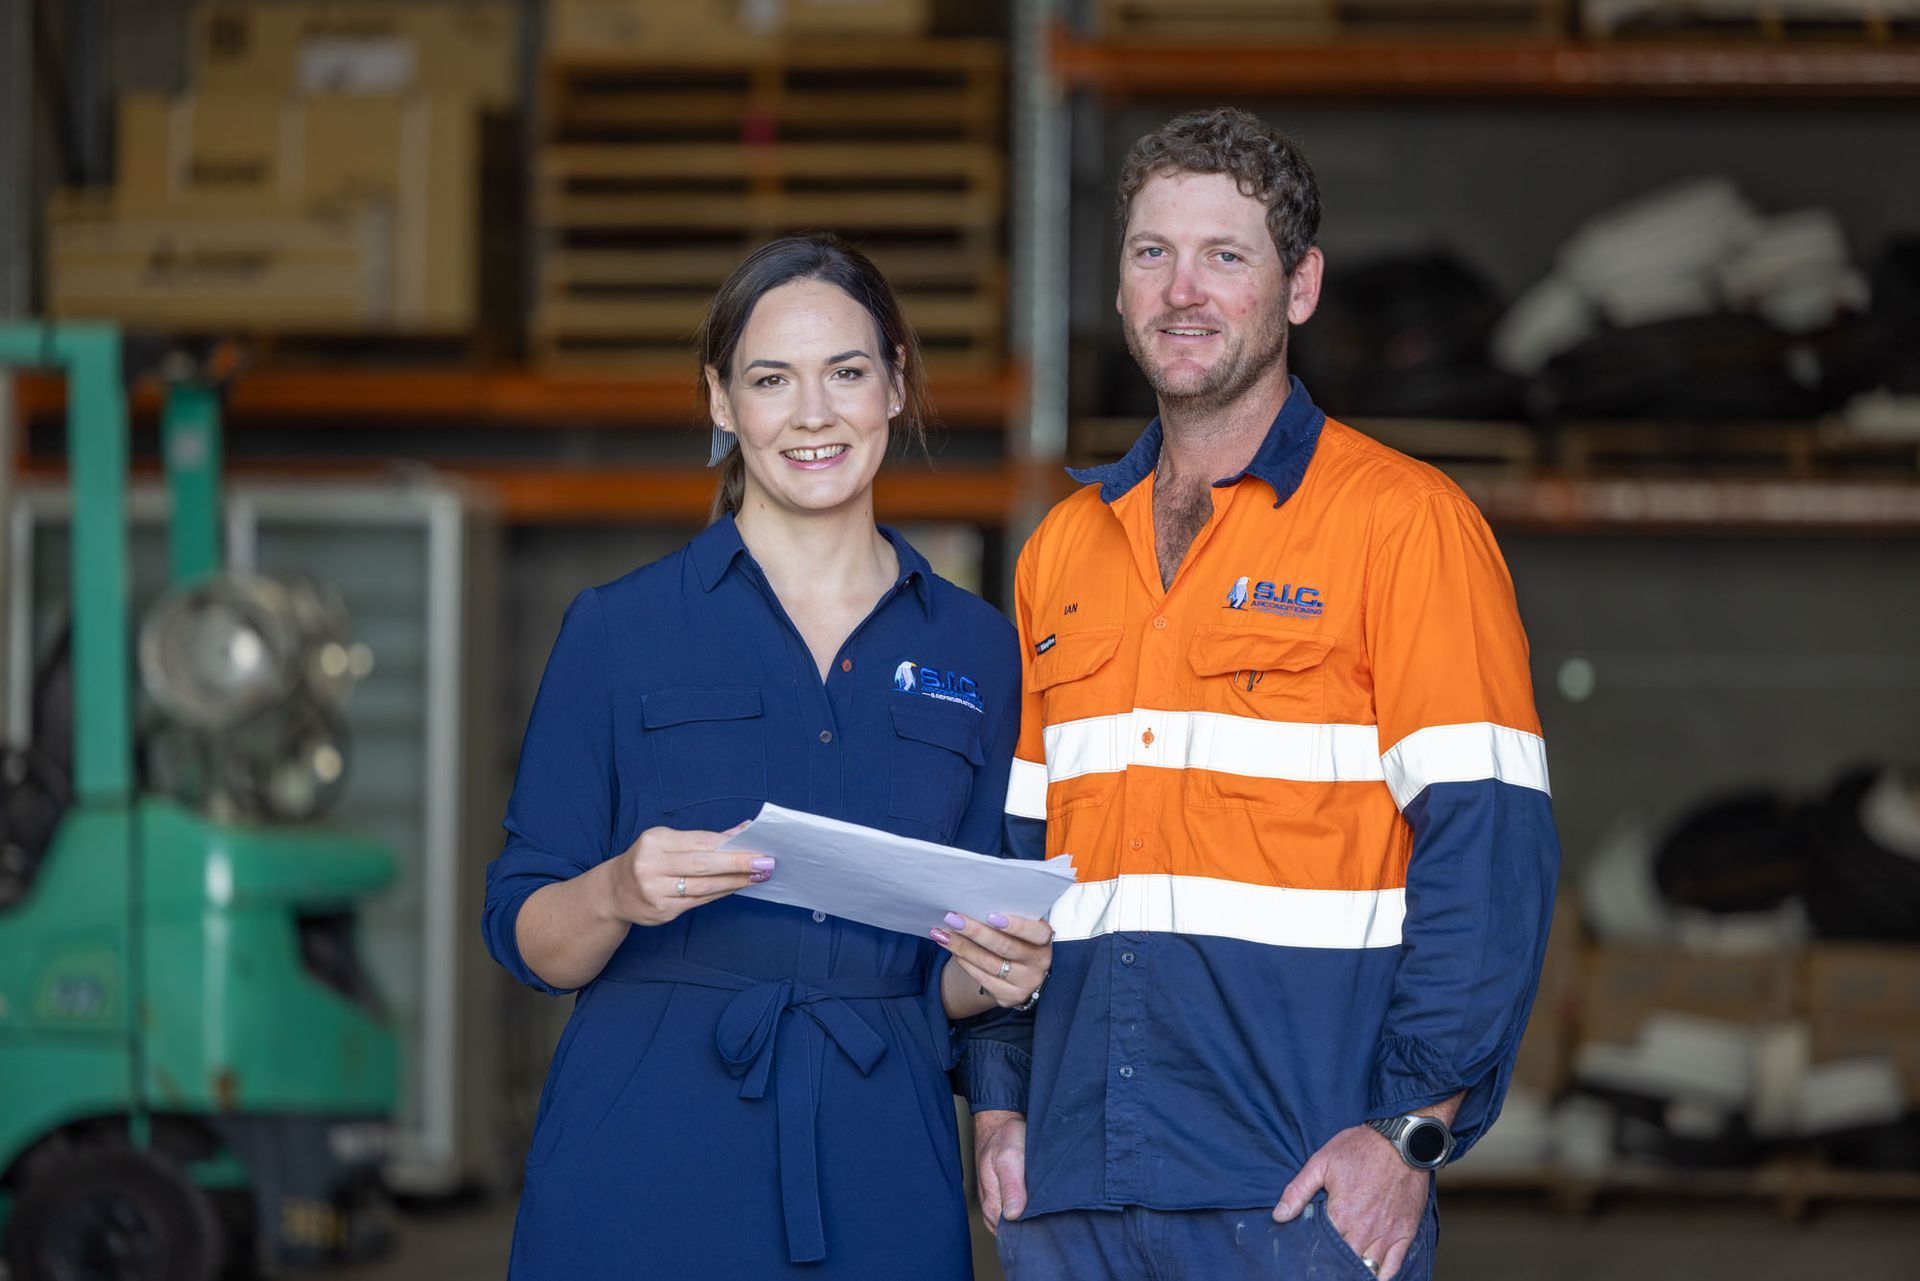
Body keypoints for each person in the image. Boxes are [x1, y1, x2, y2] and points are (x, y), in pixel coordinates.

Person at [967, 108, 1561, 1281]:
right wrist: (997, 1101)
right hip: (1073, 1189)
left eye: (1225, 256)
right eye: (1152, 253)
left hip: (1292, 1196)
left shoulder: (1406, 527)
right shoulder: (1063, 552)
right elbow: (1013, 864)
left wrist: (1409, 1133)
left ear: (1299, 288)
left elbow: (1490, 858)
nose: (1182, 291)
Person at [482, 234, 1052, 1278]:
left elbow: (972, 955)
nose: (813, 413)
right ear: (720, 402)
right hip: (643, 1151)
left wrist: (998, 980)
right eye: (771, 379)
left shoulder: (977, 649)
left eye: (845, 372)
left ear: (894, 385)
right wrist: (614, 890)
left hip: (885, 1155)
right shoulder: (618, 630)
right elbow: (527, 937)